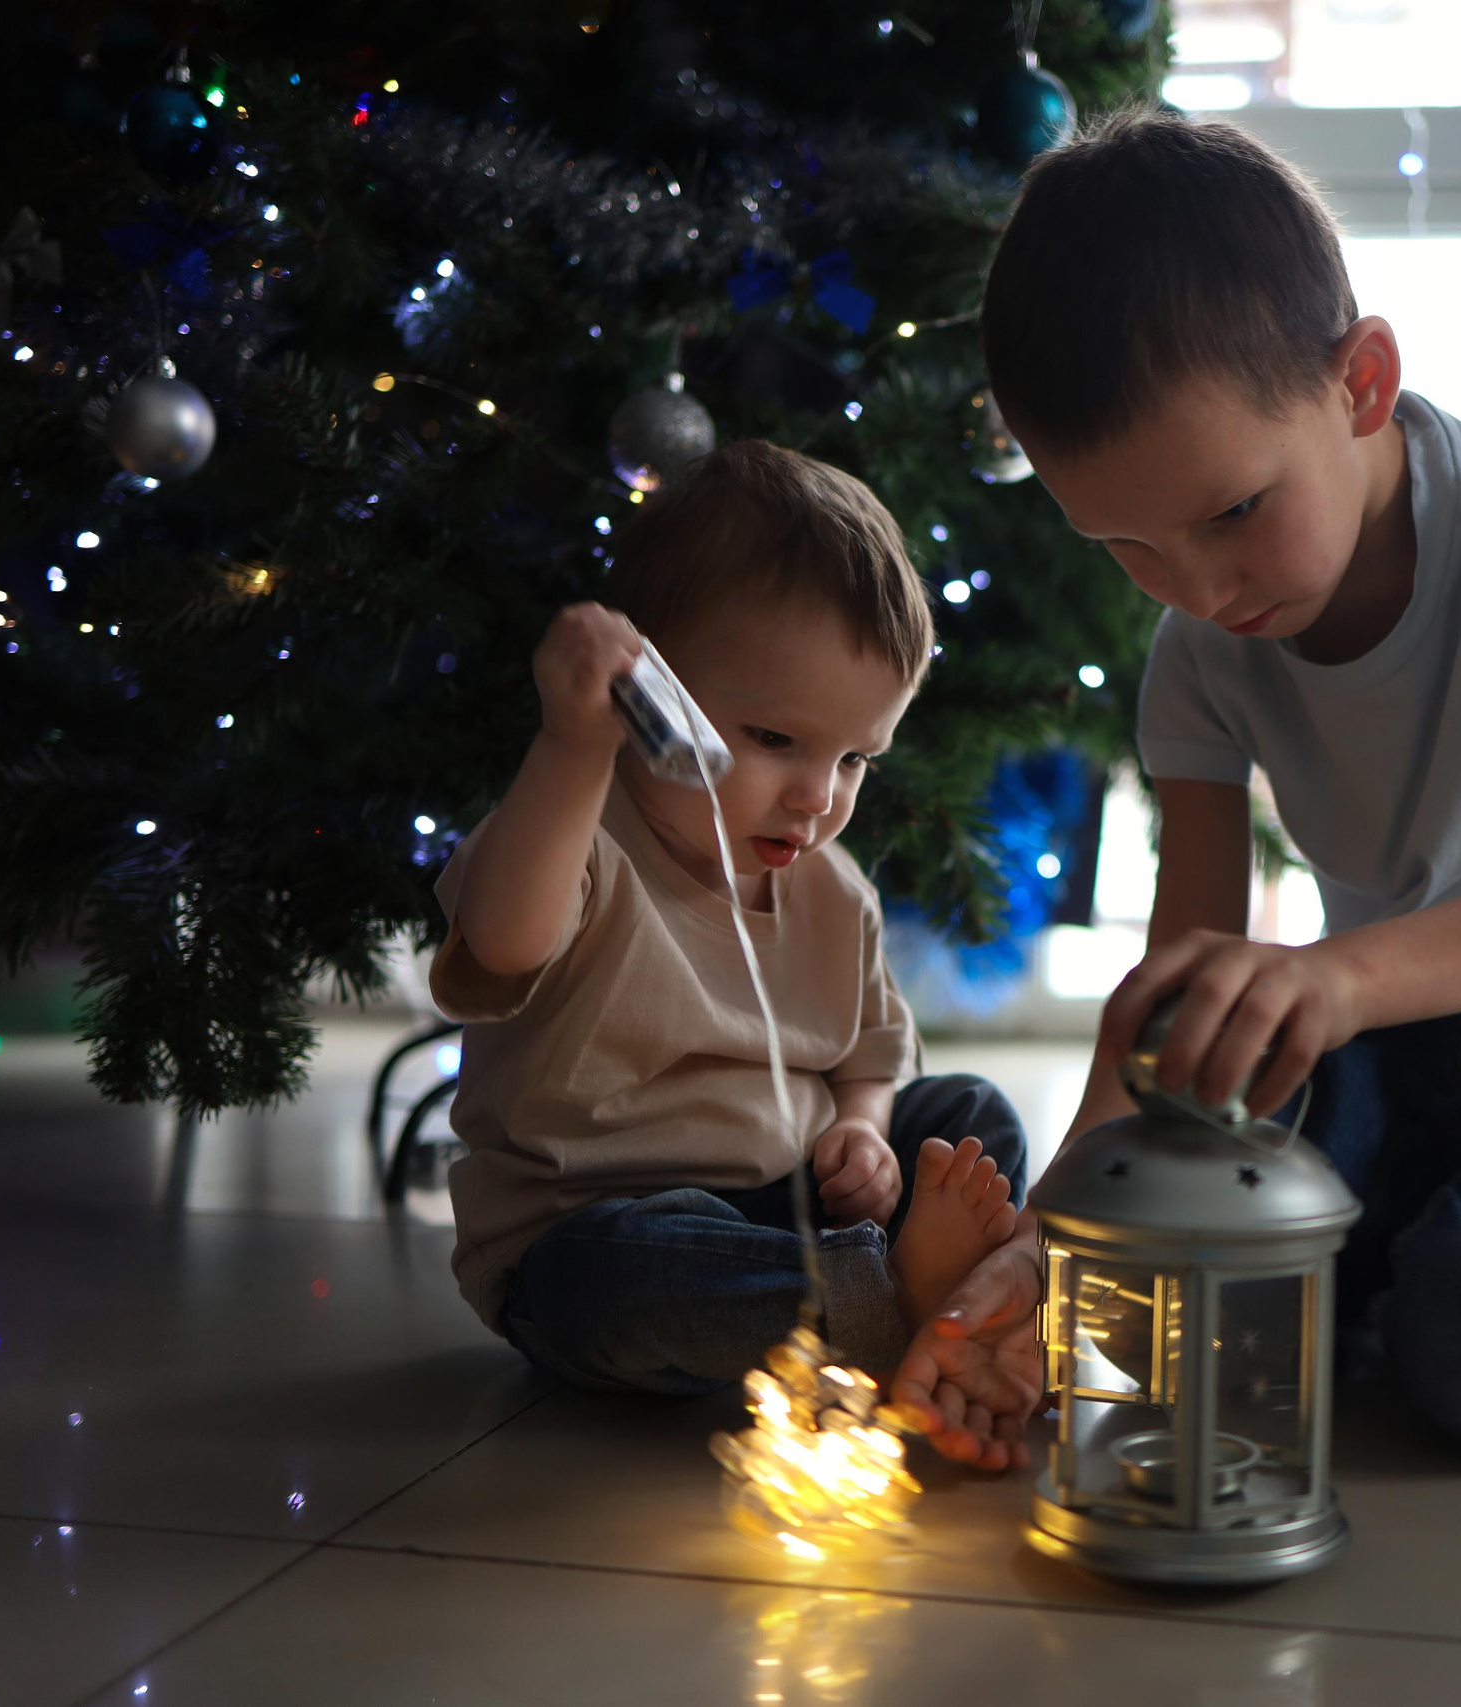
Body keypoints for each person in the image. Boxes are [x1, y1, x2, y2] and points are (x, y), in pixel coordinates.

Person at [893, 107, 1461, 1466]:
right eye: (1128, 546)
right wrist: (1058, 1238)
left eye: (1234, 512)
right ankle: (1374, 1266)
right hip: (1386, 1043)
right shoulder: (1200, 653)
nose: (1201, 589)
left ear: (1361, 381)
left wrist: (1344, 978)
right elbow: (1178, 989)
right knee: (1157, 1284)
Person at [430, 440, 1027, 1394]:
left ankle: (889, 1302)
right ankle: (910, 1308)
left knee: (968, 1115)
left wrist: (864, 1132)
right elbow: (503, 941)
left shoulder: (834, 891)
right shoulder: (576, 836)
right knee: (610, 1277)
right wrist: (573, 744)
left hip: (796, 1200)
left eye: (854, 759)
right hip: (610, 1224)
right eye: (775, 739)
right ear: (653, 697)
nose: (817, 798)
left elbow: (869, 1056)